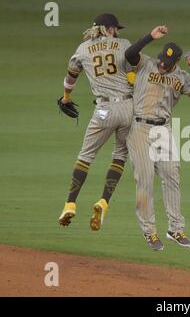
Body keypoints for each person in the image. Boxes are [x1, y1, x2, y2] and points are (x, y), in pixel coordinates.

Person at [124, 25, 190, 250]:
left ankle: (175, 229)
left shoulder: (180, 77)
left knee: (172, 175)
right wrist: (149, 37)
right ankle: (149, 232)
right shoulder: (146, 63)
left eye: (168, 63)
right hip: (140, 128)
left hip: (164, 130)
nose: (163, 64)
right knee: (145, 181)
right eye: (162, 60)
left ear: (176, 63)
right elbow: (129, 54)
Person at [58, 13, 135, 231]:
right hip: (128, 109)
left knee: (85, 157)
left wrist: (66, 98)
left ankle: (70, 203)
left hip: (104, 109)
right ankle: (103, 202)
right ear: (109, 29)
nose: (118, 32)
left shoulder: (83, 49)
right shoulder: (124, 44)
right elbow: (132, 75)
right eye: (116, 28)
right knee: (119, 156)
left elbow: (71, 77)